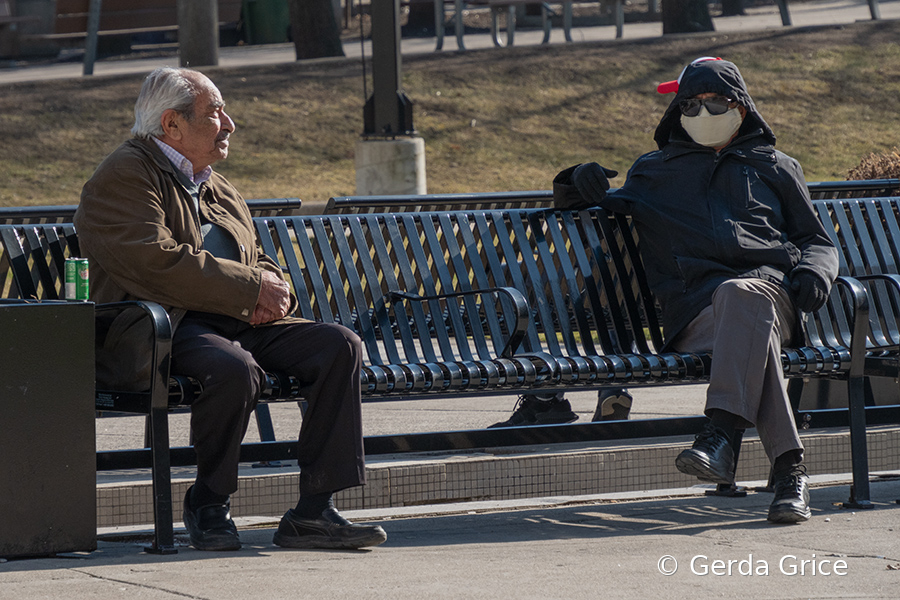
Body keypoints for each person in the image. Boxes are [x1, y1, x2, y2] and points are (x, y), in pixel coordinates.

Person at [74, 67, 387, 551]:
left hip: (235, 318)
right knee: (234, 369)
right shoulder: (123, 175)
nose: (229, 123)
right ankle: (209, 502)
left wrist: (273, 288)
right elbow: (154, 262)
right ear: (172, 124)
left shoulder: (214, 182)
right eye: (215, 112)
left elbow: (253, 254)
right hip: (163, 326)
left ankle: (313, 511)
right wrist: (248, 289)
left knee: (338, 345)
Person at [553, 57, 838, 524]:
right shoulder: (655, 171)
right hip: (697, 315)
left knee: (742, 294)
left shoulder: (776, 166)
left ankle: (720, 436)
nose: (702, 113)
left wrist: (815, 273)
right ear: (677, 111)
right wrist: (574, 179)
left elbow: (817, 240)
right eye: (691, 104)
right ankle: (790, 473)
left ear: (741, 108)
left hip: (774, 298)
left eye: (715, 103)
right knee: (739, 310)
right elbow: (587, 200)